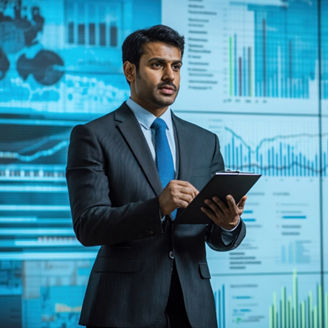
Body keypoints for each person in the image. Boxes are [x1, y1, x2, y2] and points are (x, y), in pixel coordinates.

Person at [66, 24, 247, 328]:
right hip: (123, 308)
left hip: (194, 309)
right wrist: (157, 207)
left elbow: (216, 237)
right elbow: (89, 225)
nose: (169, 76)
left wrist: (229, 224)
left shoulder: (205, 141)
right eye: (157, 65)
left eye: (176, 66)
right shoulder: (93, 136)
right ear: (129, 70)